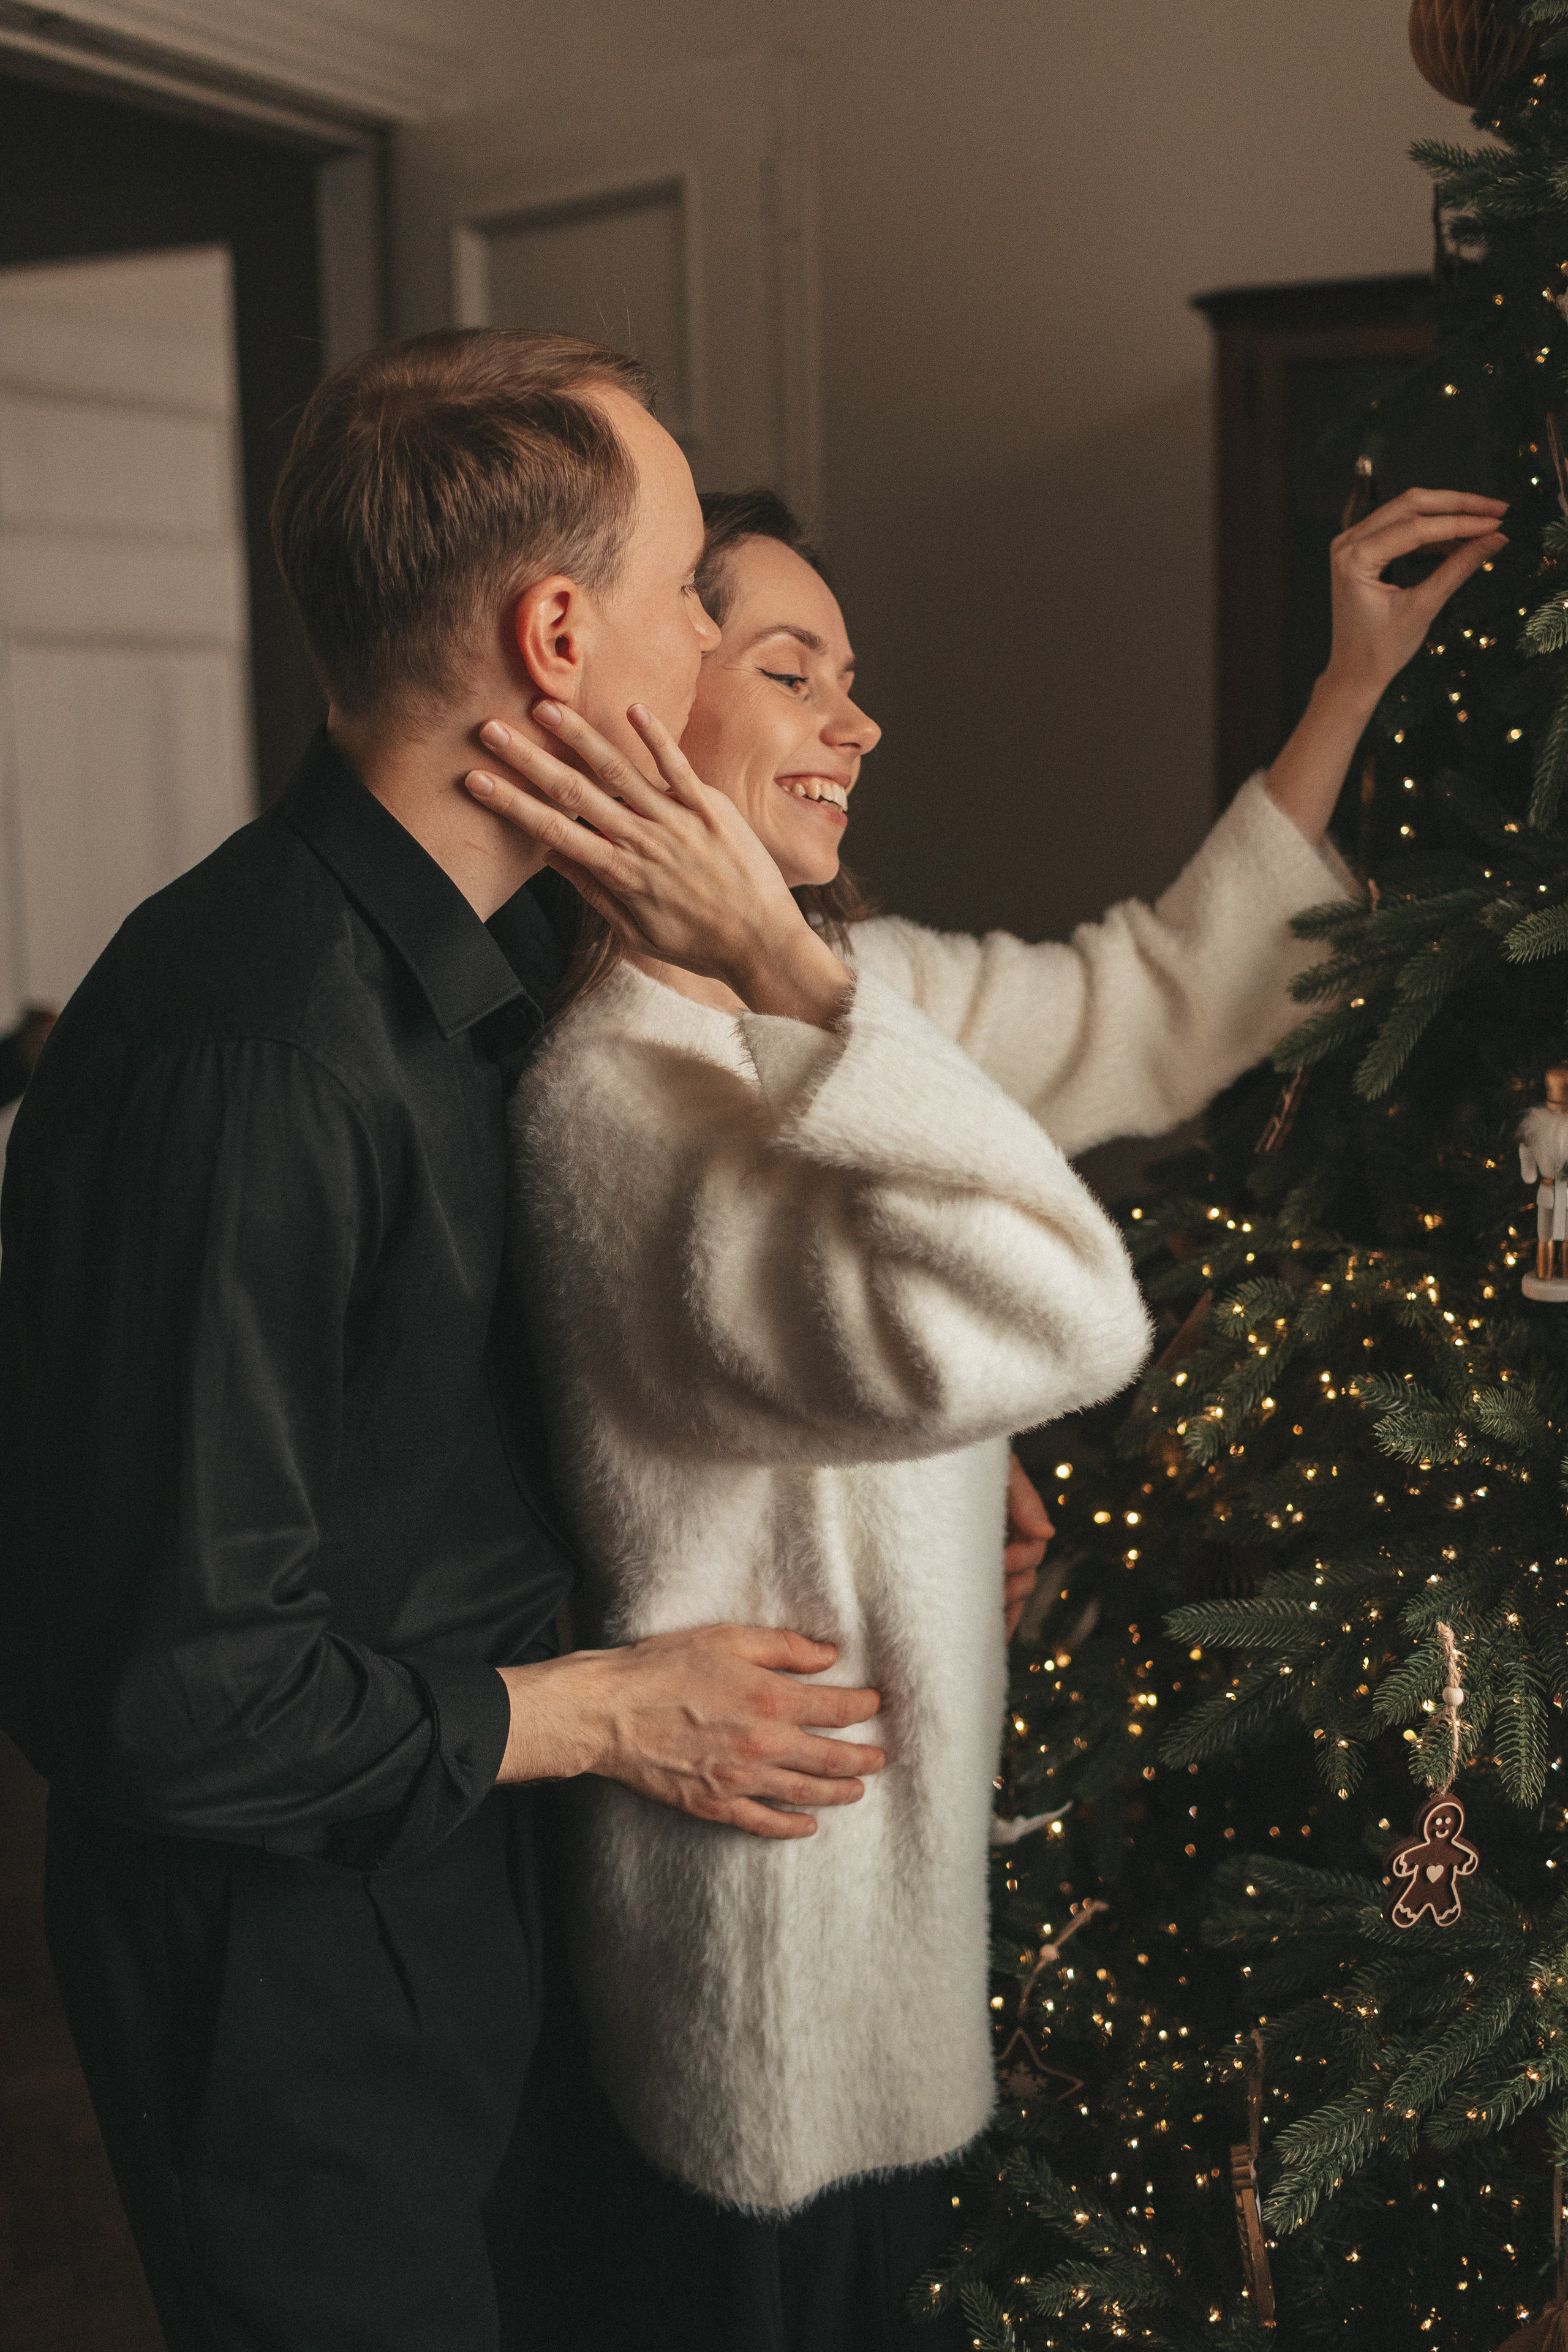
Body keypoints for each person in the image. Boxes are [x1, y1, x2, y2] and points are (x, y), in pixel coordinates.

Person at [464, 476, 1508, 2350]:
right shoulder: (623, 1089)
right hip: (765, 1971)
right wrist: (791, 967)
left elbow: (1160, 1000)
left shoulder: (866, 1004)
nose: (856, 722)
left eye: (852, 676)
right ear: (650, 692)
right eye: (793, 671)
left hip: (885, 1940)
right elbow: (1051, 1307)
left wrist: (1348, 684)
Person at [0, 330, 905, 2352]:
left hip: (474, 1908)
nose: (719, 631)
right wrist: (608, 1712)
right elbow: (168, 1692)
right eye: (695, 590)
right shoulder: (252, 1046)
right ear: (564, 635)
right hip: (301, 1984)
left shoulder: (498, 968)